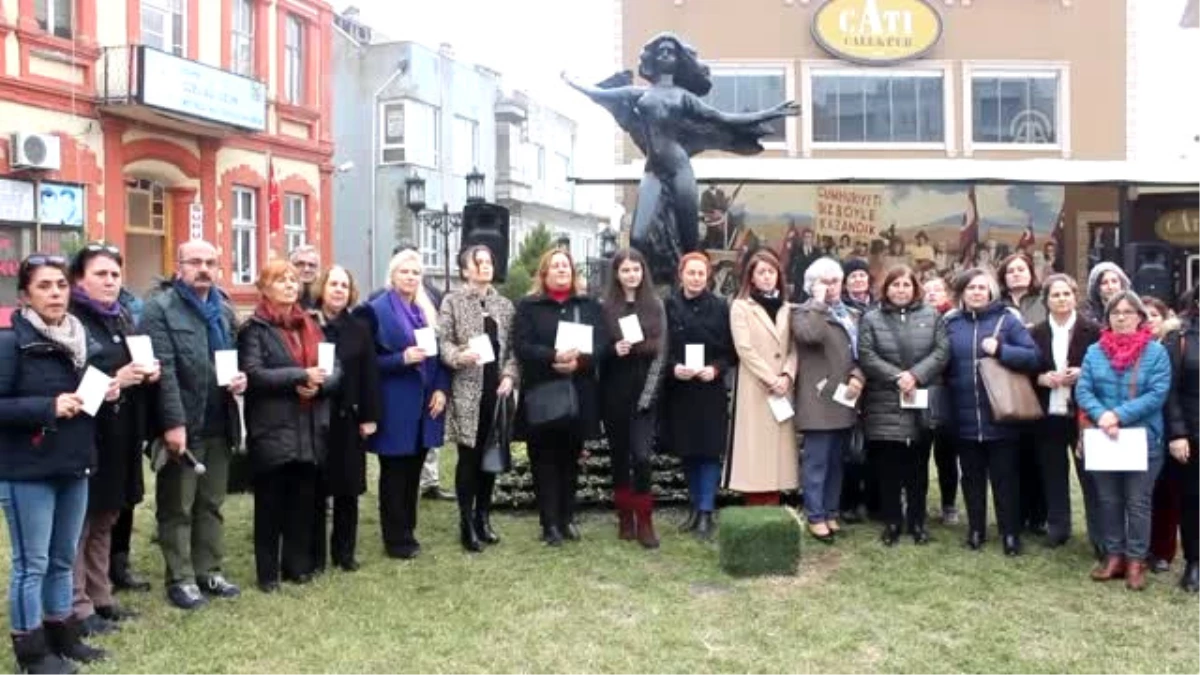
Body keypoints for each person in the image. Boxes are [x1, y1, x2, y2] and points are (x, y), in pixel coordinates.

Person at [563, 32, 798, 284]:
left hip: (680, 170)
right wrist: (572, 81)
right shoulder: (638, 93)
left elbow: (724, 118)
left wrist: (770, 113)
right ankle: (641, 289)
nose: (665, 54)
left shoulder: (683, 97)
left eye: (671, 52)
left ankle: (694, 288)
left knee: (690, 241)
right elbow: (599, 94)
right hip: (653, 171)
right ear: (653, 58)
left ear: (678, 60)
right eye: (661, 51)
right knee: (638, 238)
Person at [0, 253, 120, 670]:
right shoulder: (11, 342)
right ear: (25, 296)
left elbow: (83, 400)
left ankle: (63, 637)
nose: (55, 293)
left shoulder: (79, 339)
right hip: (27, 469)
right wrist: (46, 407)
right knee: (31, 564)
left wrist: (105, 395)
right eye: (44, 286)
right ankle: (31, 653)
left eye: (61, 285)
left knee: (62, 558)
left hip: (74, 464)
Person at [141, 240, 247, 610]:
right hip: (183, 423)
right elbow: (164, 370)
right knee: (177, 505)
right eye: (196, 262)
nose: (204, 269)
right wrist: (173, 423)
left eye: (211, 263)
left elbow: (231, 358)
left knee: (212, 502)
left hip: (219, 422)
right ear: (179, 266)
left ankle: (210, 570)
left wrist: (240, 380)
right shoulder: (159, 309)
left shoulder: (221, 308)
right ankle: (181, 578)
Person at [67, 244, 159, 637]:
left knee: (108, 515)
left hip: (121, 432)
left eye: (115, 275)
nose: (109, 281)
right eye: (100, 274)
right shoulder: (71, 321)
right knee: (82, 523)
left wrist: (149, 373)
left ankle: (101, 596)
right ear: (79, 280)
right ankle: (76, 605)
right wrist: (114, 381)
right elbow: (66, 386)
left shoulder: (122, 316)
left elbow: (133, 363)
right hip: (85, 433)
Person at [240, 260, 339, 593]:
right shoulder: (256, 328)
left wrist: (321, 385)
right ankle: (267, 573)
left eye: (293, 281)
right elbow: (253, 373)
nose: (289, 286)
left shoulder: (309, 323)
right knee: (270, 504)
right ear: (265, 288)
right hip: (273, 427)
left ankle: (297, 566)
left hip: (310, 426)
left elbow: (334, 366)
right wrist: (298, 377)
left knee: (301, 501)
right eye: (281, 281)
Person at [1077, 291, 1171, 591]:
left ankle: (1136, 561)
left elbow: (1157, 393)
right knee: (1108, 499)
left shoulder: (1156, 352)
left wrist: (1116, 415)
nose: (1121, 317)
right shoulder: (1094, 352)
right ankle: (1114, 556)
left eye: (1129, 312)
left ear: (1140, 317)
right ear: (1107, 318)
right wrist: (1102, 415)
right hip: (1104, 436)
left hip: (1144, 438)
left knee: (1138, 502)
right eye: (1115, 312)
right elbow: (1084, 390)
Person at [944, 268, 1042, 556]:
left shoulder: (1007, 321)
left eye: (982, 288)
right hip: (963, 417)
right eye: (971, 287)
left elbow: (1033, 357)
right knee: (971, 477)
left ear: (991, 292)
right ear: (962, 292)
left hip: (1001, 416)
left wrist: (1000, 350)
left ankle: (1010, 533)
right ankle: (976, 529)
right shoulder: (950, 324)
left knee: (1005, 478)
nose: (976, 292)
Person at [513, 249, 605, 546]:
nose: (561, 269)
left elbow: (602, 345)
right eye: (555, 266)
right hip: (543, 392)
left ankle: (567, 518)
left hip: (578, 392)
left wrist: (580, 363)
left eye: (566, 265)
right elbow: (522, 346)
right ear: (544, 273)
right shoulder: (529, 306)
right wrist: (553, 357)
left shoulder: (589, 305)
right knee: (543, 460)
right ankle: (549, 522)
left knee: (570, 458)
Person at [362, 249, 448, 559]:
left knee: (413, 472)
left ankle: (408, 531)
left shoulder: (424, 310)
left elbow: (437, 357)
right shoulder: (376, 310)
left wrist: (441, 389)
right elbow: (367, 360)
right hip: (395, 403)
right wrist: (400, 359)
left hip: (425, 405)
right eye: (405, 272)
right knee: (394, 474)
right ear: (393, 275)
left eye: (415, 273)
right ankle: (395, 539)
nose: (410, 278)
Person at [859, 265, 949, 546]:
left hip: (920, 403)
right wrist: (897, 377)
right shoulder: (871, 318)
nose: (901, 290)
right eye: (895, 285)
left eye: (906, 285)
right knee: (888, 470)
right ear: (886, 289)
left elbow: (942, 351)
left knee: (918, 469)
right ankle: (892, 523)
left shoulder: (932, 316)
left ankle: (918, 522)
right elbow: (866, 354)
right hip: (884, 402)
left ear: (915, 288)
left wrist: (915, 375)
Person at [439, 245, 518, 552]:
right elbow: (442, 341)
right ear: (465, 270)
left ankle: (484, 517)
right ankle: (466, 521)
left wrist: (510, 375)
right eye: (478, 262)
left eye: (488, 261)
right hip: (468, 390)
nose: (485, 267)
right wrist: (460, 355)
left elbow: (513, 350)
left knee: (491, 454)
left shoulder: (504, 305)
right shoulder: (453, 301)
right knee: (469, 459)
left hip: (496, 391)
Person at [792, 257, 864, 543]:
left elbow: (860, 352)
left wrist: (859, 375)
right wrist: (819, 303)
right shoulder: (803, 312)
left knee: (837, 461)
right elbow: (811, 335)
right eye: (825, 281)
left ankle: (831, 511)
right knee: (817, 462)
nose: (832, 287)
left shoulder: (851, 314)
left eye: (835, 281)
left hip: (845, 398)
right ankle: (815, 515)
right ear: (812, 285)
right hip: (818, 398)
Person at [599, 248, 668, 548]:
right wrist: (613, 351)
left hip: (644, 395)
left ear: (643, 272)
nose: (631, 275)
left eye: (636, 269)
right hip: (614, 393)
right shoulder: (604, 307)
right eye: (625, 270)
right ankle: (625, 517)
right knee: (619, 457)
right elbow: (597, 351)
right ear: (617, 273)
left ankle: (645, 521)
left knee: (641, 457)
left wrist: (648, 395)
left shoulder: (655, 305)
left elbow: (662, 352)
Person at [313, 266, 379, 572]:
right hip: (313, 415)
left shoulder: (359, 328)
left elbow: (370, 376)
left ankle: (344, 552)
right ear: (322, 288)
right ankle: (314, 556)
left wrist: (370, 417)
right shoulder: (307, 323)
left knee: (347, 489)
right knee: (314, 488)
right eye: (333, 284)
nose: (338, 289)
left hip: (349, 417)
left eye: (344, 284)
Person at [1028, 274, 1101, 548]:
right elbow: (1025, 369)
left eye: (1066, 294)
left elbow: (1106, 366)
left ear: (1075, 296)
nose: (1061, 299)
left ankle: (1099, 535)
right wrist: (1041, 378)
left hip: (1084, 415)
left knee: (1090, 475)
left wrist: (1084, 372)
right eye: (1055, 295)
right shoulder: (1035, 333)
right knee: (1053, 473)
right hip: (1049, 414)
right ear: (1046, 301)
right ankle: (1058, 528)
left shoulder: (1093, 330)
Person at [727, 250, 798, 507]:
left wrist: (787, 375)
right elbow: (744, 349)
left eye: (771, 272)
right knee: (756, 447)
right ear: (752, 278)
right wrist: (771, 378)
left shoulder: (788, 308)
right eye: (762, 272)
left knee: (778, 449)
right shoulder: (741, 306)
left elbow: (794, 347)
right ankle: (755, 502)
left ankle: (775, 500)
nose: (767, 277)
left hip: (782, 387)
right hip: (757, 387)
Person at [1146, 296, 1184, 573]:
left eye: (1153, 316)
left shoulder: (1173, 346)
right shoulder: (1135, 347)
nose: (1148, 321)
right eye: (1143, 316)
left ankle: (1163, 551)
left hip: (1168, 429)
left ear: (1164, 318)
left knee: (1166, 494)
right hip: (1142, 432)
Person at [838, 257, 877, 523]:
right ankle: (847, 501)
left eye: (862, 275)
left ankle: (872, 500)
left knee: (874, 445)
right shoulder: (839, 310)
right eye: (853, 276)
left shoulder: (879, 308)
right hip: (848, 382)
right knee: (849, 446)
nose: (858, 280)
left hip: (877, 384)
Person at [1166, 289, 1200, 592]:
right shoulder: (1180, 339)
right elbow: (1171, 392)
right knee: (1193, 501)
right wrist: (1177, 433)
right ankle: (1194, 562)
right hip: (1192, 433)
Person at [923, 275, 959, 523]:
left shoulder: (956, 319)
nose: (932, 294)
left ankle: (949, 505)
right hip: (922, 392)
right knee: (919, 452)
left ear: (947, 294)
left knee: (946, 454)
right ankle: (917, 502)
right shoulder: (915, 318)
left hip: (949, 394)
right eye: (927, 290)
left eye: (938, 290)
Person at [289, 245, 321, 309]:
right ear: (291, 267)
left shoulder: (324, 298)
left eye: (311, 265)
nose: (306, 269)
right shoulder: (282, 296)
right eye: (300, 264)